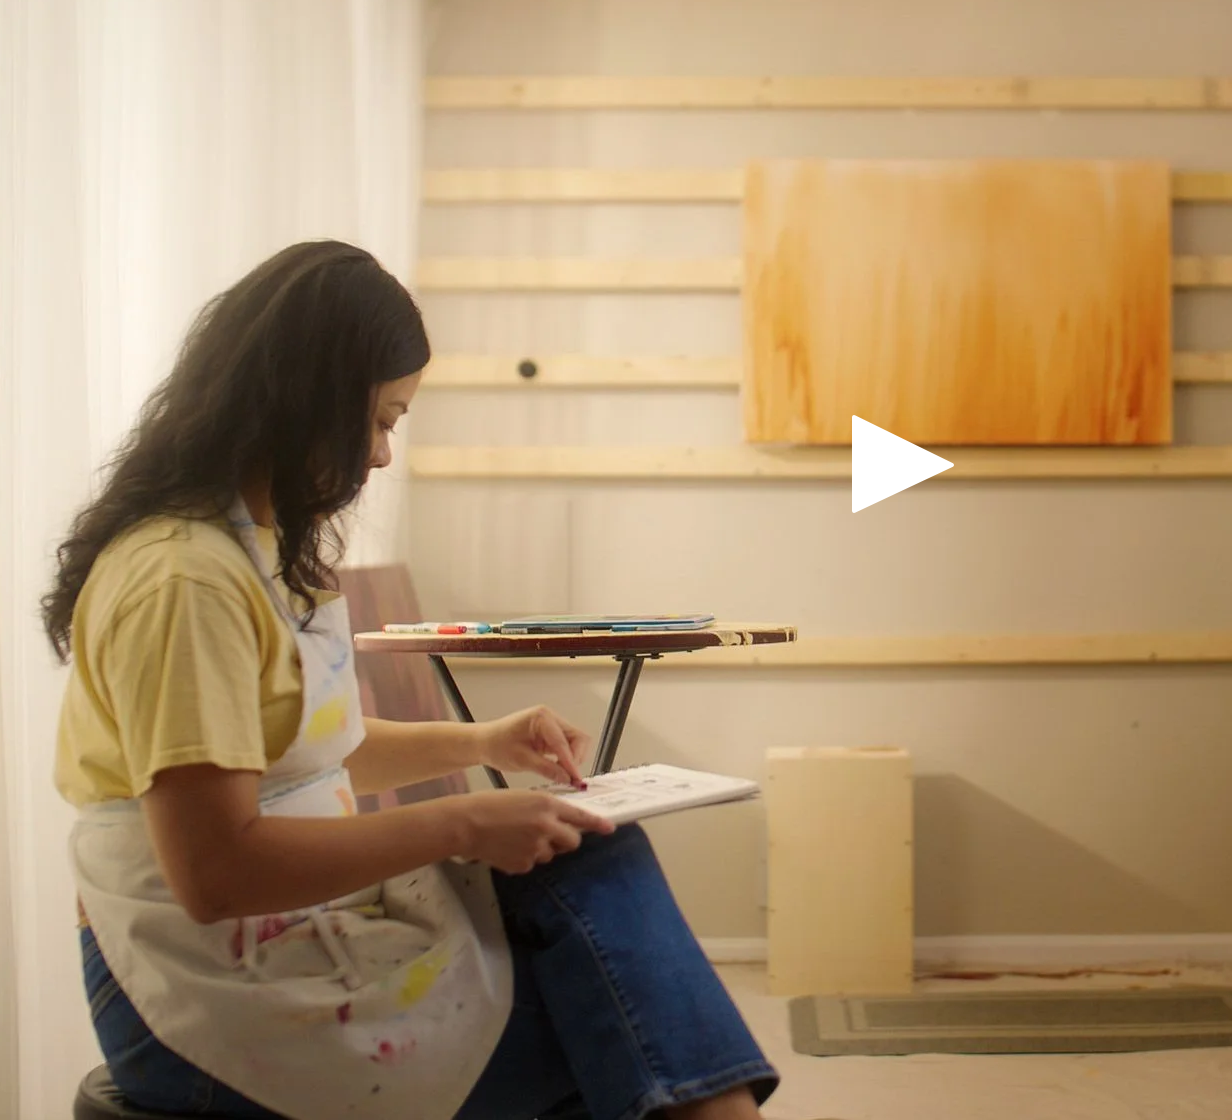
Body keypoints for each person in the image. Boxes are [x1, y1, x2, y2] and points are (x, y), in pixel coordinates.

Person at [47, 241, 775, 1120]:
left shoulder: (246, 554)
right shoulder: (184, 584)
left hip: (271, 944)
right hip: (199, 992)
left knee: (595, 873)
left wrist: (485, 745)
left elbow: (306, 758)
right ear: (304, 401)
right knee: (619, 1027)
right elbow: (217, 871)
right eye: (382, 420)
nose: (384, 455)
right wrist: (462, 819)